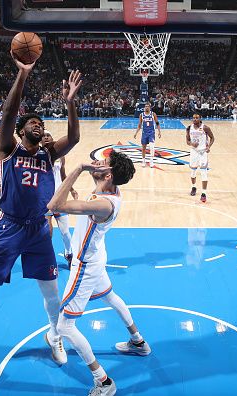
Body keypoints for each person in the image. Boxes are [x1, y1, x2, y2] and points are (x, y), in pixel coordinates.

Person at [0, 53, 83, 369]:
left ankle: (54, 338)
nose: (39, 126)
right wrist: (22, 76)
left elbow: (76, 137)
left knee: (52, 293)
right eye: (33, 123)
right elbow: (9, 114)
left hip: (39, 228)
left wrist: (70, 103)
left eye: (41, 124)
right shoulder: (8, 148)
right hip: (9, 227)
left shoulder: (48, 155)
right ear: (22, 130)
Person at [47, 151, 150, 396]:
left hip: (85, 266)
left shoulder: (103, 204)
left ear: (109, 174)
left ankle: (103, 381)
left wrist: (79, 168)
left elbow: (54, 206)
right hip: (97, 256)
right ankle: (138, 342)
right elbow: (95, 186)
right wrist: (94, 174)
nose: (98, 163)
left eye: (103, 163)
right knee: (110, 296)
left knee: (65, 327)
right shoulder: (109, 190)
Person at [42, 130, 78, 269]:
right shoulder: (37, 155)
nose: (45, 137)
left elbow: (64, 176)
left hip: (60, 198)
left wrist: (72, 189)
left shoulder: (60, 156)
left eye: (48, 135)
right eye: (43, 136)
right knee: (47, 231)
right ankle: (47, 257)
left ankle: (69, 253)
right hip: (45, 199)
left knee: (65, 233)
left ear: (52, 139)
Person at [186, 113, 215, 203]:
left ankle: (204, 193)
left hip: (203, 153)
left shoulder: (205, 128)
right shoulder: (189, 128)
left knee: (203, 173)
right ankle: (194, 187)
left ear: (200, 119)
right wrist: (191, 144)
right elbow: (187, 141)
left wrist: (208, 146)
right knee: (193, 172)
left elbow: (212, 138)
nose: (195, 119)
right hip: (194, 152)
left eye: (197, 118)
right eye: (193, 118)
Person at [133, 103, 161, 168]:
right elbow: (139, 125)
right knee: (143, 148)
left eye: (148, 106)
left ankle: (151, 161)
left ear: (150, 108)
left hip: (151, 133)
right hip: (144, 133)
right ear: (144, 108)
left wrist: (159, 132)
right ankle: (143, 161)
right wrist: (136, 133)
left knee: (152, 147)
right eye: (145, 106)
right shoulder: (141, 115)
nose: (147, 107)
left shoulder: (153, 114)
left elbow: (157, 123)